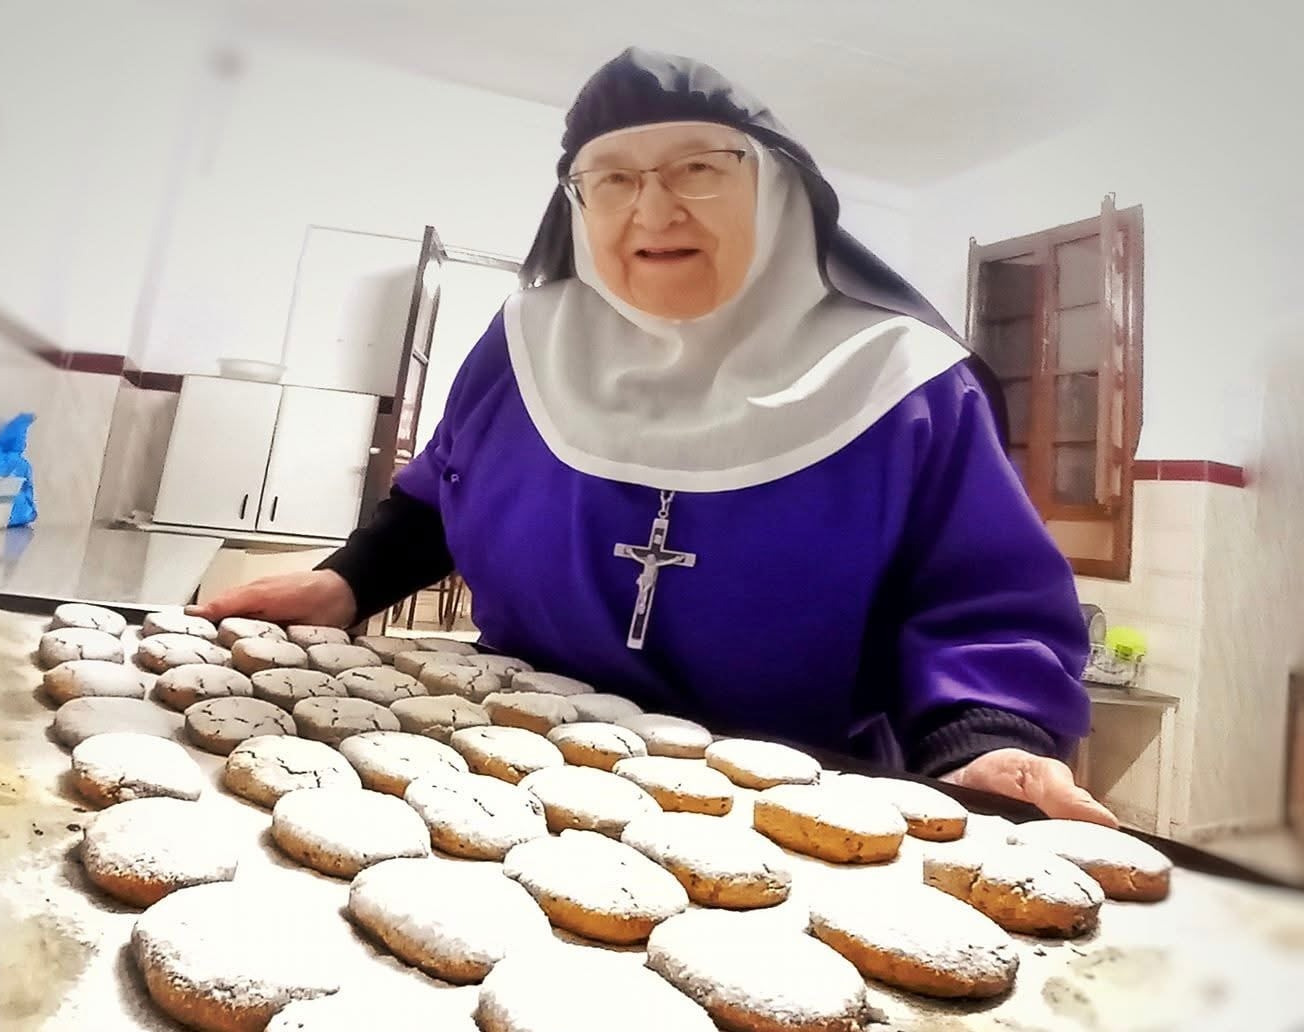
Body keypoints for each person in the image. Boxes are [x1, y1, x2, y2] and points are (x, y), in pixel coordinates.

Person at [192, 48, 1114, 825]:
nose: (654, 210)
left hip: (791, 801)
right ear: (577, 205)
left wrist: (987, 743)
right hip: (498, 765)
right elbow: (444, 490)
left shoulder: (907, 383)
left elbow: (980, 607)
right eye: (614, 180)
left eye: (699, 169)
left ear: (781, 190)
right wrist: (345, 581)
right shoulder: (526, 342)